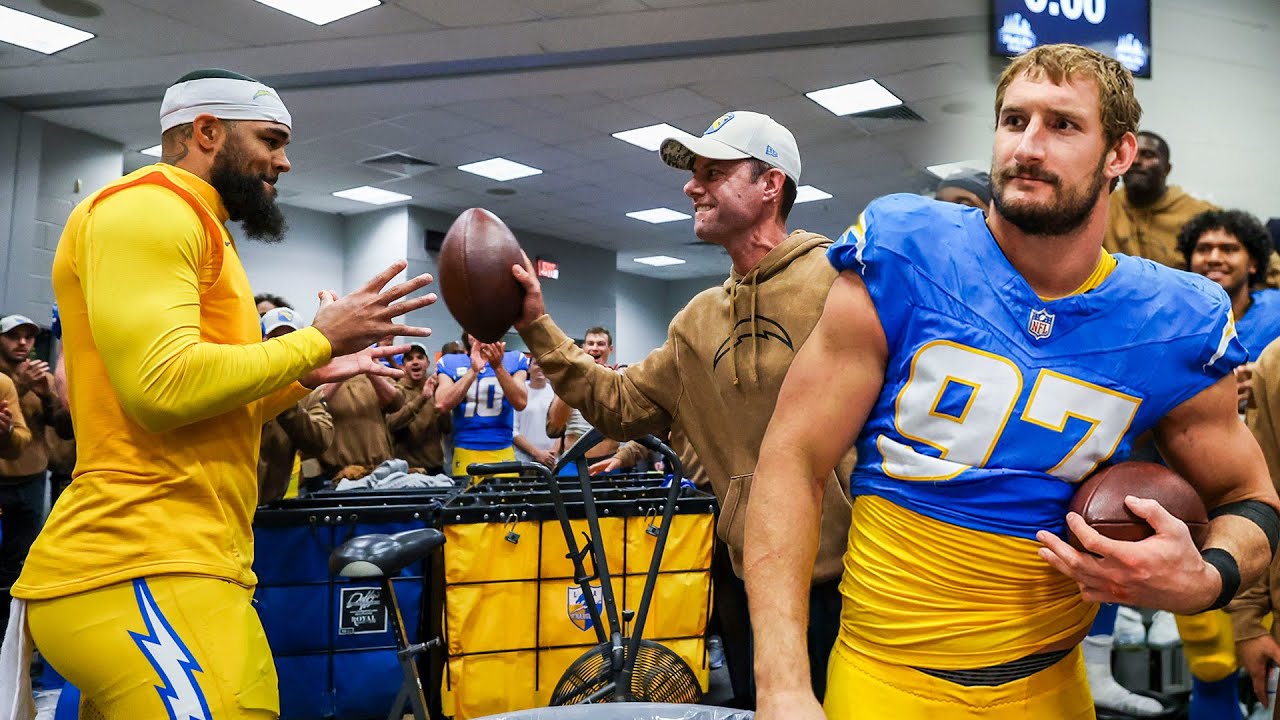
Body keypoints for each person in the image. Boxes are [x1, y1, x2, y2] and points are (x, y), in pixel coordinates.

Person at [743, 44, 1280, 720]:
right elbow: (791, 459)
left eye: (1062, 125)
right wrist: (784, 684)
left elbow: (1249, 496)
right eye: (1013, 120)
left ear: (1119, 154)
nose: (1028, 146)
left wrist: (1209, 577)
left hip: (1052, 685)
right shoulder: (908, 249)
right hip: (887, 678)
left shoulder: (1176, 318)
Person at [9, 68, 436, 719]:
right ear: (205, 131)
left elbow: (198, 404)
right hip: (138, 561)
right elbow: (161, 388)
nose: (284, 161)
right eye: (270, 139)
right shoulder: (147, 209)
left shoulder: (200, 227)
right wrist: (314, 340)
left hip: (184, 560)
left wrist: (301, 375)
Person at [510, 109, 853, 707]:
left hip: (855, 580)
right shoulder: (696, 322)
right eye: (694, 172)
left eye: (713, 172)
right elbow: (616, 403)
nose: (692, 186)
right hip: (751, 580)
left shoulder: (839, 284)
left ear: (770, 184)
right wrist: (536, 324)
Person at [0, 314, 71, 632]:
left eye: (29, 337)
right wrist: (20, 385)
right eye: (14, 336)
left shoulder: (39, 376)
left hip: (32, 480)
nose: (23, 343)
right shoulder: (7, 381)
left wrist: (45, 393)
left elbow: (64, 429)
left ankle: (12, 631)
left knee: (24, 559)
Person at [1180, 209, 1280, 412]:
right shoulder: (1170, 318)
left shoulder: (1276, 310)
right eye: (1203, 249)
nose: (1214, 258)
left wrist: (1267, 377)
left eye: (1229, 249)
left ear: (1253, 263)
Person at [1103, 130, 1216, 271]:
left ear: (1167, 169)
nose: (1136, 161)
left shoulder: (1200, 214)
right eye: (1131, 154)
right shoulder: (1101, 205)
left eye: (1148, 155)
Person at [257, 307, 333, 502]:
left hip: (275, 505)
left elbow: (320, 441)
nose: (282, 346)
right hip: (228, 507)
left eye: (290, 340)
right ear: (262, 340)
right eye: (275, 339)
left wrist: (285, 397)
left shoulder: (309, 389)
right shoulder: (243, 381)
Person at [434, 332, 528, 478]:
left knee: (507, 499)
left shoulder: (514, 359)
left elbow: (521, 402)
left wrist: (498, 368)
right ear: (467, 335)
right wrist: (473, 371)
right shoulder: (450, 362)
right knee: (468, 500)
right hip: (466, 448)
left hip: (503, 448)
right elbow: (441, 404)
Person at [547, 327, 620, 471]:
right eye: (591, 343)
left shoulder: (617, 379)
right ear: (583, 348)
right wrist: (571, 384)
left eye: (600, 344)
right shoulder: (568, 381)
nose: (595, 348)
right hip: (572, 463)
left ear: (610, 349)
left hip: (607, 462)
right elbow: (554, 428)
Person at [386, 343, 449, 476]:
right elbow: (391, 424)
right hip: (406, 470)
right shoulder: (395, 391)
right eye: (409, 359)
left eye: (420, 357)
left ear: (427, 363)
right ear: (403, 366)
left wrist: (444, 409)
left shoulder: (437, 389)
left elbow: (447, 428)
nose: (415, 362)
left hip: (435, 468)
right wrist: (422, 398)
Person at [513, 357, 557, 468]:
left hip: (552, 460)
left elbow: (562, 427)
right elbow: (512, 430)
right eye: (536, 363)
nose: (540, 367)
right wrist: (537, 453)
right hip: (523, 459)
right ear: (528, 368)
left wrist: (552, 453)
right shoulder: (518, 391)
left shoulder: (556, 393)